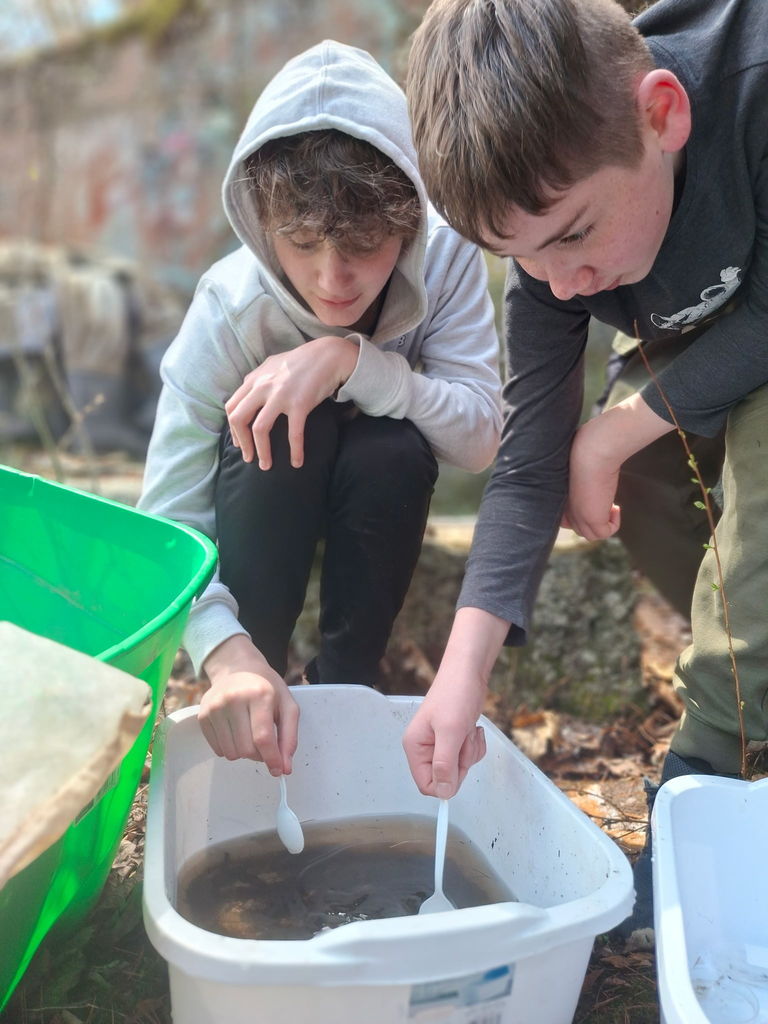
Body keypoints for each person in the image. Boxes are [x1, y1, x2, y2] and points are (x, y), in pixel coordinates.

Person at [402, 0, 768, 943]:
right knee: (647, 493)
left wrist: (610, 434)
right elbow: (529, 462)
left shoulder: (752, 88)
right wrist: (460, 679)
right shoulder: (550, 250)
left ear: (663, 115)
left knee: (751, 515)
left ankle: (704, 777)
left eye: (570, 236)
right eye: (518, 259)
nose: (561, 285)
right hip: (701, 339)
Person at [138, 41, 502, 781]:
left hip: (379, 484)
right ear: (262, 223)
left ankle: (346, 684)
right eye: (303, 245)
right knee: (272, 428)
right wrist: (223, 651)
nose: (333, 279)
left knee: (392, 446)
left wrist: (356, 364)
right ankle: (258, 676)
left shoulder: (447, 257)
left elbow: (478, 437)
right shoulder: (230, 305)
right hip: (268, 500)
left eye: (364, 246)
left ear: (408, 221)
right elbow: (165, 517)